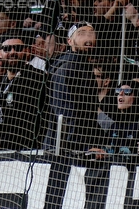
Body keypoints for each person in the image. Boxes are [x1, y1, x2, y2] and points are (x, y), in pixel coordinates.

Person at [0, 32, 45, 154]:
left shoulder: (36, 77)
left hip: (27, 151)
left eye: (18, 48)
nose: (12, 52)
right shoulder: (3, 80)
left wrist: (0, 143)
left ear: (26, 51)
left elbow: (23, 116)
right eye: (7, 49)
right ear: (0, 54)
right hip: (2, 150)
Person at [42, 22, 102, 153]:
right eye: (81, 34)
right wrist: (81, 148)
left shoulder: (83, 66)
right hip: (65, 150)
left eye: (91, 33)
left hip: (69, 146)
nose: (88, 38)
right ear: (69, 41)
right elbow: (65, 113)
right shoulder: (69, 66)